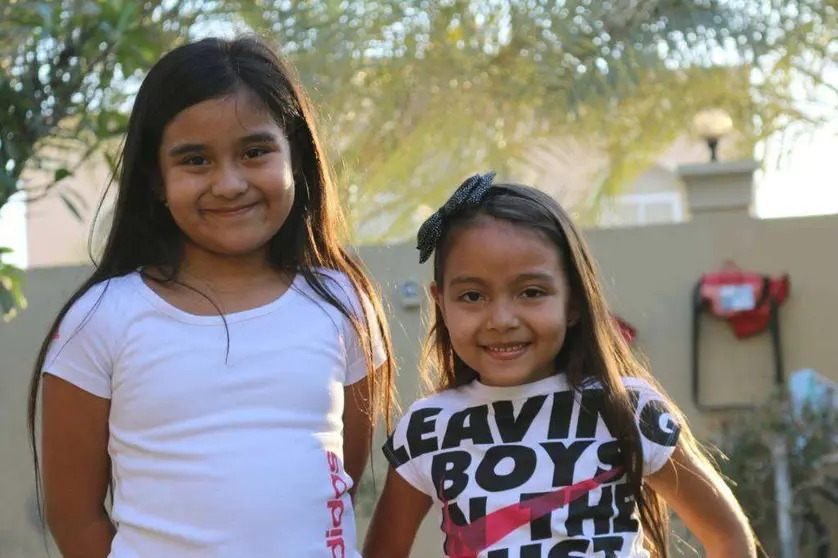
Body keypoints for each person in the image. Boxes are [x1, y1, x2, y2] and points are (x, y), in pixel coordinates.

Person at [27, 36, 395, 558]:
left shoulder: (344, 305)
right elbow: (74, 515)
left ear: (296, 154)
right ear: (156, 178)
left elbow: (340, 479)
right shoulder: (100, 319)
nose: (228, 184)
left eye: (254, 152)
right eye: (195, 160)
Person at [363, 173, 756, 557]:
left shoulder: (628, 409)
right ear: (440, 303)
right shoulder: (428, 429)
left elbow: (729, 539)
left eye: (531, 292)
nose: (502, 319)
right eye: (472, 295)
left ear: (572, 301)